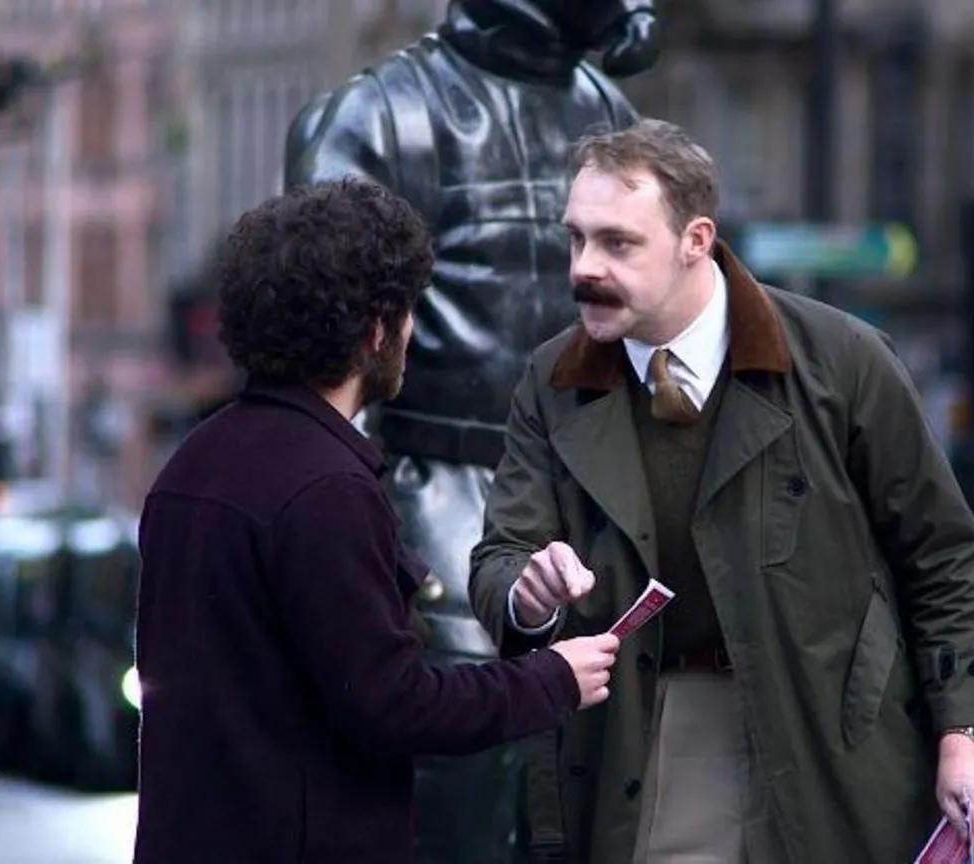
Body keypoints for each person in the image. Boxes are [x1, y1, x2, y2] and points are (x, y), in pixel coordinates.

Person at [468, 119, 974, 863]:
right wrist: (526, 595)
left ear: (696, 240)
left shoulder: (843, 361)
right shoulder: (553, 379)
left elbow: (945, 556)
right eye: (575, 239)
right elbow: (501, 554)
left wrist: (963, 739)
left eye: (618, 243)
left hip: (832, 739)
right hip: (647, 735)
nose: (584, 267)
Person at [131, 179, 620, 863]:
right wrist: (551, 679)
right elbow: (390, 702)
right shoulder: (326, 488)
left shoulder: (193, 464)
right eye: (408, 312)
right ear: (374, 329)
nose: (411, 334)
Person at [282, 4, 656, 858]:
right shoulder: (379, 118)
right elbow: (323, 363)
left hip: (590, 517)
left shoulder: (611, 116)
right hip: (430, 509)